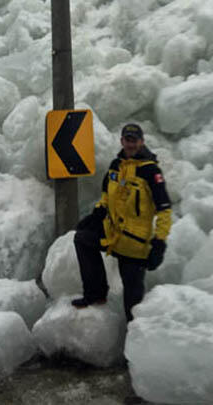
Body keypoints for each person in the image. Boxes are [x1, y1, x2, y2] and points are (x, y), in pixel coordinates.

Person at [72, 122, 172, 321]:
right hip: (112, 234)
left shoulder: (151, 172)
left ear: (142, 142)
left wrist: (159, 242)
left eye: (134, 140)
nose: (131, 144)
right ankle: (96, 293)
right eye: (127, 140)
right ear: (122, 141)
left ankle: (134, 344)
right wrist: (97, 214)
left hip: (134, 244)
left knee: (133, 305)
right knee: (82, 239)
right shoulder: (116, 166)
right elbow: (106, 196)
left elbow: (164, 209)